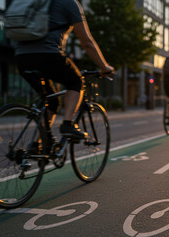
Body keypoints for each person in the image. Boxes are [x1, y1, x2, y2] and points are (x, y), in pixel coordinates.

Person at [15, 0, 114, 139]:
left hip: (22, 58)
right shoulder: (69, 3)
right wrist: (104, 66)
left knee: (51, 102)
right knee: (76, 81)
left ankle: (39, 144)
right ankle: (67, 124)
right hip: (48, 55)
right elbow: (86, 42)